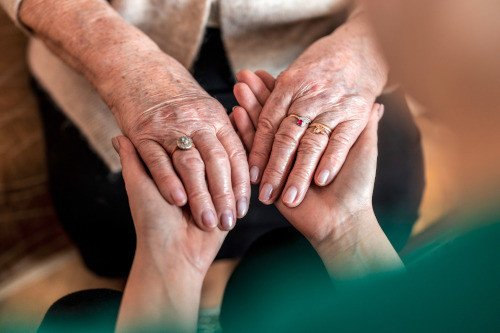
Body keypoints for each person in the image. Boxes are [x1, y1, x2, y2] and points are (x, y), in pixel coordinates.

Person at [37, 0, 500, 331]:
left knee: (83, 313)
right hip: (118, 37)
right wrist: (349, 232)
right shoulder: (476, 285)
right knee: (296, 262)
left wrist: (167, 270)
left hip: (328, 52)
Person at [0, 0, 423, 276]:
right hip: (107, 39)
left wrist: (366, 50)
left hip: (337, 52)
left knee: (384, 203)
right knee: (114, 224)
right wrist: (123, 67)